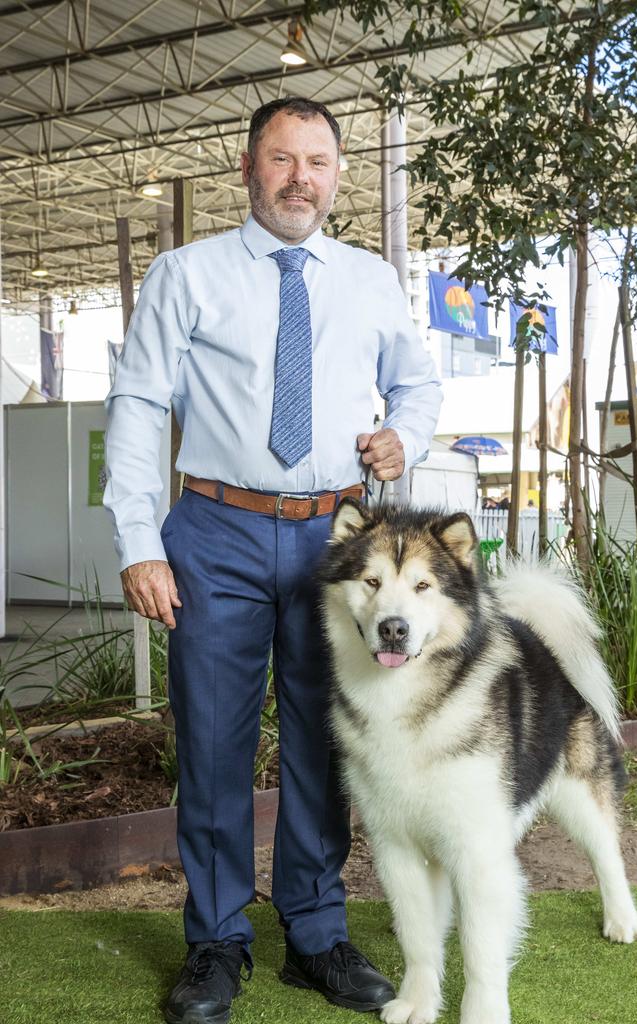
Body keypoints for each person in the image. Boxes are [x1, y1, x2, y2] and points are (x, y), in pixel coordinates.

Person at [104, 96, 442, 1024]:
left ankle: (316, 935)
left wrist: (401, 441)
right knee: (212, 741)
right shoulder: (186, 273)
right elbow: (136, 405)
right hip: (213, 531)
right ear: (249, 170)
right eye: (283, 159)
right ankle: (216, 940)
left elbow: (417, 382)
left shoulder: (371, 280)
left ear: (338, 175)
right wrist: (140, 542)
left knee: (325, 742)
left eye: (319, 162)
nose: (302, 177)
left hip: (336, 543)